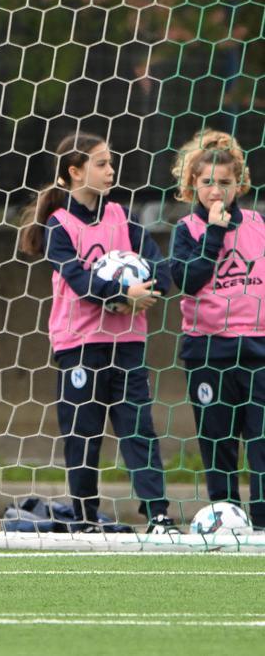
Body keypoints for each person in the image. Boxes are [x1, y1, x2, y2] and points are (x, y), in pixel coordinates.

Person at [19, 132, 178, 533]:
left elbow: (161, 270)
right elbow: (76, 278)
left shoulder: (123, 217)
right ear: (75, 172)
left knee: (139, 431)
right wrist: (121, 293)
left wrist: (144, 293)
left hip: (126, 345)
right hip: (80, 347)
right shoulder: (60, 224)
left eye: (111, 162)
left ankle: (158, 516)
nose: (111, 170)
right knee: (83, 436)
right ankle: (86, 518)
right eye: (101, 163)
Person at [168, 129, 264, 530]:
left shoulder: (259, 225)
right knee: (219, 446)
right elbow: (188, 279)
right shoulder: (187, 231)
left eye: (224, 183)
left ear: (239, 184)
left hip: (258, 352)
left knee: (261, 445)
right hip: (209, 353)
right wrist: (214, 232)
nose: (215, 190)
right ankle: (225, 520)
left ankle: (261, 524)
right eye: (206, 182)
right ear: (191, 184)